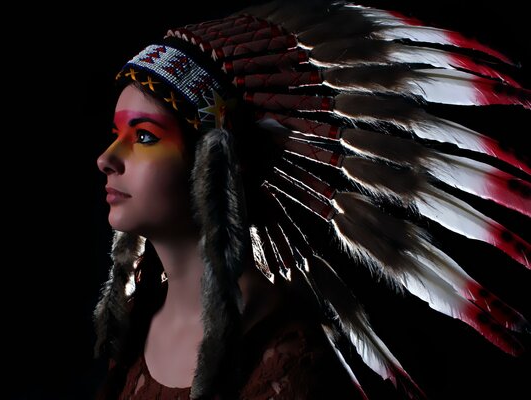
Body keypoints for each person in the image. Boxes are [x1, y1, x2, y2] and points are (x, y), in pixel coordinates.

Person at [92, 1, 531, 399]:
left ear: (216, 163)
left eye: (144, 137)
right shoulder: (137, 318)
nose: (107, 159)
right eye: (117, 136)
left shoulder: (281, 353)